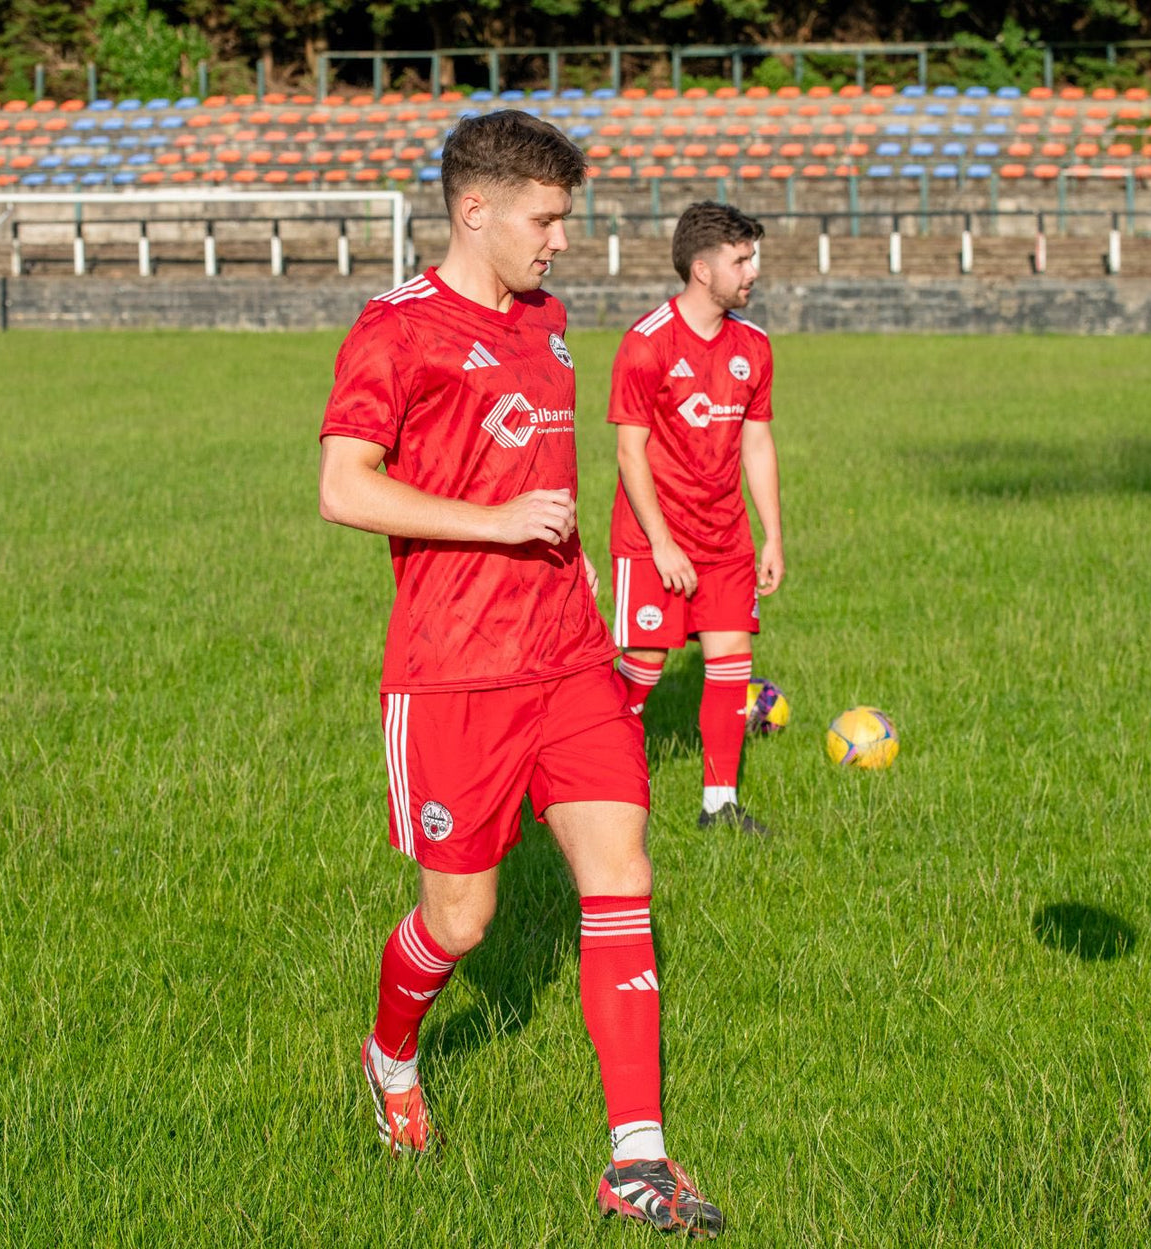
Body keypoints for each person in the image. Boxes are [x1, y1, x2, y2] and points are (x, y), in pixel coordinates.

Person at [317, 110, 723, 1239]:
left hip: (567, 662)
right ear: (474, 209)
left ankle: (635, 1158)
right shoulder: (394, 330)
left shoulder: (548, 324)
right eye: (544, 219)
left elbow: (551, 481)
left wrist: (585, 579)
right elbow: (344, 488)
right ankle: (391, 1052)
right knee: (460, 919)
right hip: (450, 674)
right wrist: (493, 525)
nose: (559, 241)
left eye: (564, 218)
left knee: (622, 874)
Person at [608, 201, 784, 836]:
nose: (753, 271)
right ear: (702, 269)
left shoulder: (754, 347)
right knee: (641, 675)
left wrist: (772, 536)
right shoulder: (646, 342)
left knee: (730, 664)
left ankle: (719, 806)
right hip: (654, 539)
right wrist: (662, 546)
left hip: (727, 540)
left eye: (752, 257)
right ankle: (587, 787)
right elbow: (630, 451)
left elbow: (756, 442)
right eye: (742, 259)